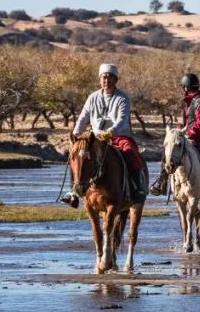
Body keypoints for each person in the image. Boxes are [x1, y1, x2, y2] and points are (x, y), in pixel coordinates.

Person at [62, 63, 146, 207]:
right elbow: (83, 118)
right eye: (103, 77)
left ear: (115, 80)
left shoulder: (123, 98)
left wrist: (109, 133)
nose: (106, 80)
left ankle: (137, 188)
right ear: (99, 80)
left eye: (109, 77)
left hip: (118, 136)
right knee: (75, 156)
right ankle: (73, 192)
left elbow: (121, 120)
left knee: (130, 151)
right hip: (94, 138)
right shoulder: (92, 97)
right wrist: (75, 135)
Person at [150, 73, 200, 200]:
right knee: (168, 153)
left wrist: (190, 133)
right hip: (189, 137)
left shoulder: (199, 101)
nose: (182, 89)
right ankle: (161, 182)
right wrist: (180, 128)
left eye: (183, 87)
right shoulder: (190, 101)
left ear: (186, 87)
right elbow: (189, 122)